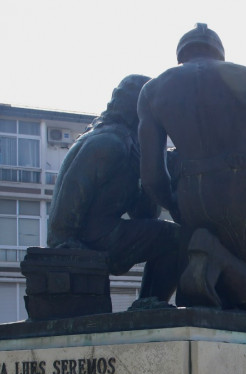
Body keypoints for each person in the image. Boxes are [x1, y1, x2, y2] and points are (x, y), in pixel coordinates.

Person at [138, 23, 246, 314]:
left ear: (181, 56)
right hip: (242, 180)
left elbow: (151, 177)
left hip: (189, 191)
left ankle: (211, 262)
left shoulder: (152, 90)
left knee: (196, 305)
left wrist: (176, 205)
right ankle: (216, 257)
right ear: (220, 54)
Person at [48, 74, 184, 304]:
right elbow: (69, 200)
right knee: (178, 238)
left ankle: (149, 304)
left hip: (103, 232)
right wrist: (66, 241)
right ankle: (149, 303)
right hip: (88, 238)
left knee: (172, 236)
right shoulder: (108, 143)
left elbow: (145, 216)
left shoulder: (129, 145)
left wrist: (145, 174)